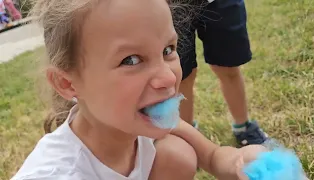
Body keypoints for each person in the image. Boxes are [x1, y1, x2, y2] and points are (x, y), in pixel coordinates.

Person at [11, 0, 266, 179]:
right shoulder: (55, 174)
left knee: (179, 155)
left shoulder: (138, 122)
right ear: (67, 83)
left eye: (168, 50)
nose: (168, 78)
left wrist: (240, 163)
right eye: (131, 60)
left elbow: (212, 157)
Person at [178, 0, 268, 147]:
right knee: (183, 75)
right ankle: (187, 137)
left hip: (219, 3)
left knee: (228, 67)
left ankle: (244, 128)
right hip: (173, 5)